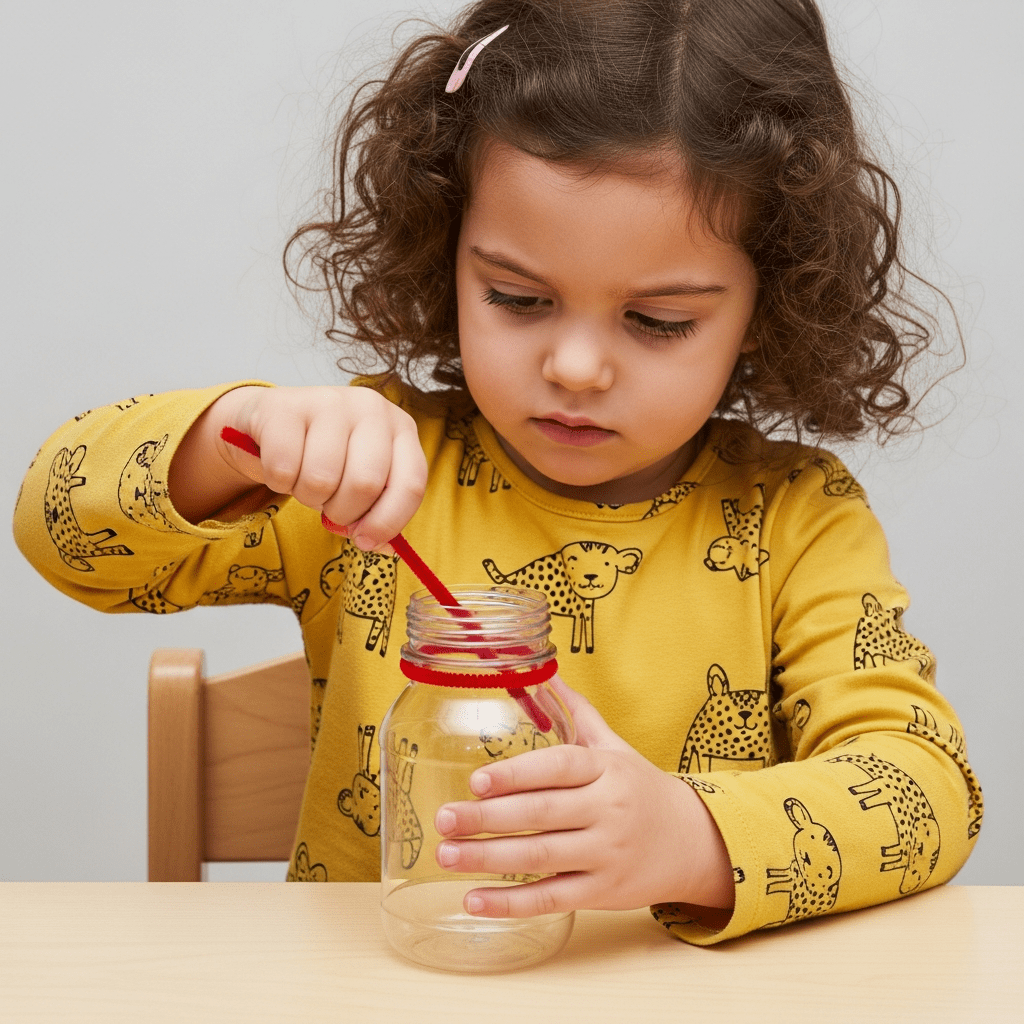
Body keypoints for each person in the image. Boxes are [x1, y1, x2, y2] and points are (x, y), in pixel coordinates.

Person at [13, 0, 981, 944]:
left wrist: (689, 838)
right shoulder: (374, 478)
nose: (575, 366)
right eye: (518, 297)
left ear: (771, 303)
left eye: (657, 321)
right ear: (445, 252)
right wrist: (238, 430)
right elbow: (56, 528)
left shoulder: (796, 519)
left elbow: (924, 788)